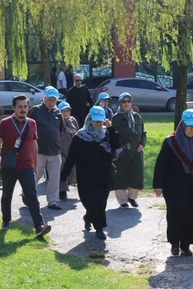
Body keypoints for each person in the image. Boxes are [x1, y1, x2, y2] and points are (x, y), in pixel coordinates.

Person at [0, 94, 51, 238]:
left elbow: (34, 145)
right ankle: (6, 221)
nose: (23, 109)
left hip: (26, 166)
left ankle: (39, 226)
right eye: (20, 107)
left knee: (31, 195)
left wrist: (35, 166)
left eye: (25, 107)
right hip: (9, 166)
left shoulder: (32, 123)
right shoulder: (4, 123)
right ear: (13, 108)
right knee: (7, 195)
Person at [154, 109, 193, 257]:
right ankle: (174, 243)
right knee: (176, 213)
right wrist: (158, 185)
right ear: (182, 125)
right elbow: (161, 164)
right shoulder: (171, 142)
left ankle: (186, 245)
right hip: (173, 186)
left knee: (191, 215)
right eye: (189, 126)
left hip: (192, 187)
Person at [60, 106, 114, 240]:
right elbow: (71, 157)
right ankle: (99, 228)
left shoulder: (105, 133)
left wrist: (112, 129)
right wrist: (64, 175)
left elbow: (114, 148)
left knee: (102, 200)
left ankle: (89, 216)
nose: (98, 123)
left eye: (100, 121)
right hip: (86, 174)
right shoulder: (80, 136)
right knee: (94, 199)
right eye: (95, 121)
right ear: (89, 119)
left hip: (104, 172)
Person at [28, 86, 63, 210]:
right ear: (44, 98)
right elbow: (28, 128)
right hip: (38, 150)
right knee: (34, 176)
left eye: (54, 100)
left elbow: (60, 129)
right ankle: (28, 197)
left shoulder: (58, 113)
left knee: (54, 178)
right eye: (49, 99)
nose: (51, 102)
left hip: (55, 150)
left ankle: (53, 201)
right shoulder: (35, 111)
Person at [111, 92, 145, 208]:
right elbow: (111, 135)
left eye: (128, 101)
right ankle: (123, 201)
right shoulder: (115, 119)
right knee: (120, 175)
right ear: (120, 104)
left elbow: (143, 133)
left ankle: (132, 197)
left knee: (136, 175)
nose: (126, 104)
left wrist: (142, 144)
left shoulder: (137, 117)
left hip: (136, 151)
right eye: (124, 101)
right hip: (122, 152)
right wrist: (119, 145)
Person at [57, 101, 78, 199]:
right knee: (62, 166)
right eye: (63, 111)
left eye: (67, 110)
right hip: (60, 149)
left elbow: (77, 133)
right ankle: (62, 191)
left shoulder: (73, 120)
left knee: (73, 168)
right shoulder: (57, 121)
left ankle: (69, 183)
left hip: (72, 149)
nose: (65, 113)